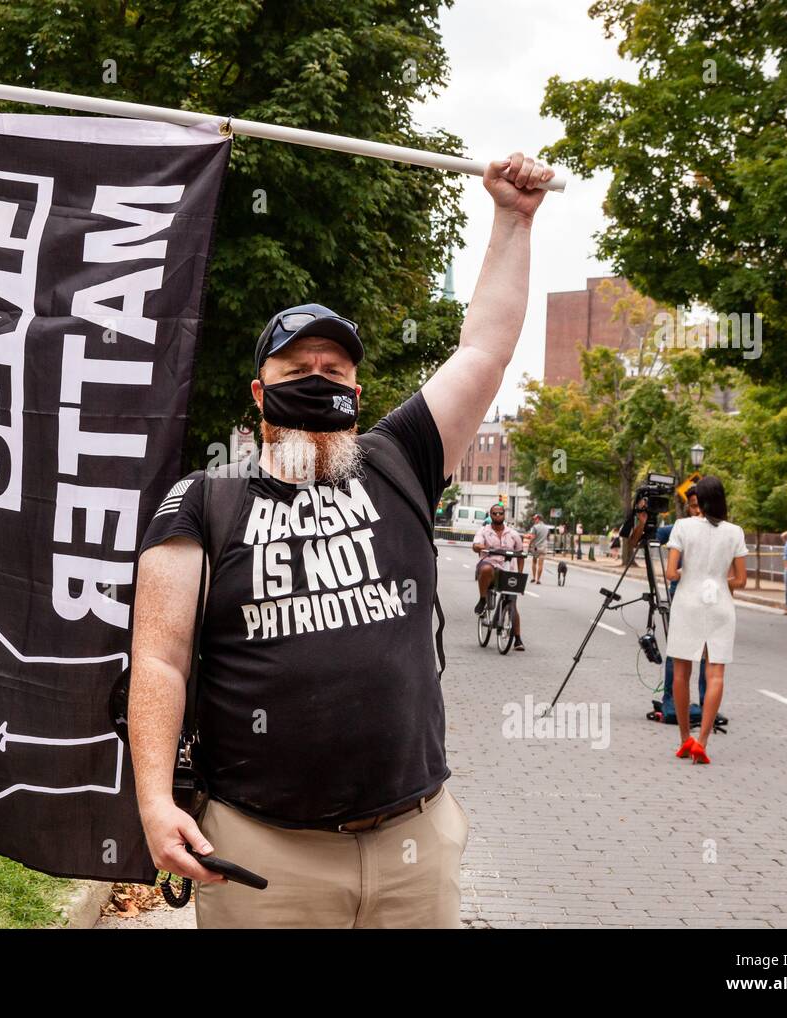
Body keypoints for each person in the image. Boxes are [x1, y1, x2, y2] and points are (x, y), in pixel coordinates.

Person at [130, 151, 555, 928]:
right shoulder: (202, 501)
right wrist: (156, 803)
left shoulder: (400, 461)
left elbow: (485, 350)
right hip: (265, 856)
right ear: (260, 392)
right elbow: (158, 658)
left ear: (357, 393)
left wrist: (512, 219)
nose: (320, 377)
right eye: (299, 367)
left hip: (413, 842)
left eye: (337, 368)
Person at [664, 476, 748, 765]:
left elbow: (671, 572)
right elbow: (742, 579)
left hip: (688, 602)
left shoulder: (683, 527)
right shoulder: (735, 532)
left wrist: (692, 574)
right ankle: (703, 742)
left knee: (680, 672)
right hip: (721, 604)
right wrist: (718, 580)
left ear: (699, 499)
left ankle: (685, 737)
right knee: (715, 675)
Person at [655, 492, 708, 725]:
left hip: (708, 596)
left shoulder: (719, 528)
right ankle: (671, 700)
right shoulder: (679, 527)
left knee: (709, 651)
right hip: (682, 591)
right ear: (687, 507)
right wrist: (644, 520)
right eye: (694, 506)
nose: (697, 511)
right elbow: (649, 537)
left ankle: (707, 703)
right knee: (677, 650)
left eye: (701, 506)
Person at [473, 502, 526, 651]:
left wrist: (519, 575)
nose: (497, 516)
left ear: (504, 515)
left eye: (500, 513)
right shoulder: (484, 531)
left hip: (507, 570)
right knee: (486, 569)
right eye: (494, 513)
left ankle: (517, 639)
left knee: (512, 603)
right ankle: (483, 599)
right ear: (490, 515)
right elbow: (476, 545)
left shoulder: (513, 534)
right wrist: (483, 547)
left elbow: (521, 554)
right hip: (489, 565)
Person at [528, 512, 552, 584]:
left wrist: (529, 544)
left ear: (538, 519)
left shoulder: (535, 527)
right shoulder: (547, 528)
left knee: (534, 562)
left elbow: (533, 537)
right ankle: (538, 580)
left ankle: (533, 578)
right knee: (541, 564)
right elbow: (548, 538)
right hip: (544, 547)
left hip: (536, 547)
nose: (534, 521)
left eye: (535, 519)